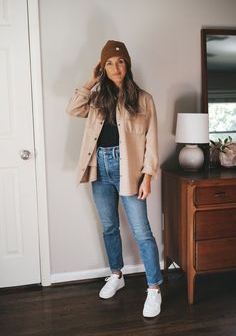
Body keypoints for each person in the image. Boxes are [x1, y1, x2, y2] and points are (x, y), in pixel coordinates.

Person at [66, 40, 163, 318]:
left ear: (127, 65)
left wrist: (148, 176)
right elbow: (72, 109)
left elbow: (152, 142)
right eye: (109, 62)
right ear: (103, 67)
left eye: (120, 61)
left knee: (142, 232)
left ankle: (154, 288)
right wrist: (89, 80)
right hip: (100, 168)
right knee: (109, 226)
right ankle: (116, 274)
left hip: (129, 169)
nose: (115, 67)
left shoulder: (143, 99)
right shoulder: (97, 97)